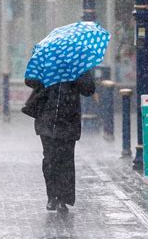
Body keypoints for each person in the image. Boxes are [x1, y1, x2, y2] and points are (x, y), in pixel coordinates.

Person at [25, 72, 95, 213]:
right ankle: (52, 196)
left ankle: (64, 199)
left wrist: (76, 77)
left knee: (66, 160)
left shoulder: (77, 65)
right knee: (50, 159)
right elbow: (30, 81)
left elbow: (89, 90)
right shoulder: (47, 62)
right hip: (46, 119)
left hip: (69, 120)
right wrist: (47, 77)